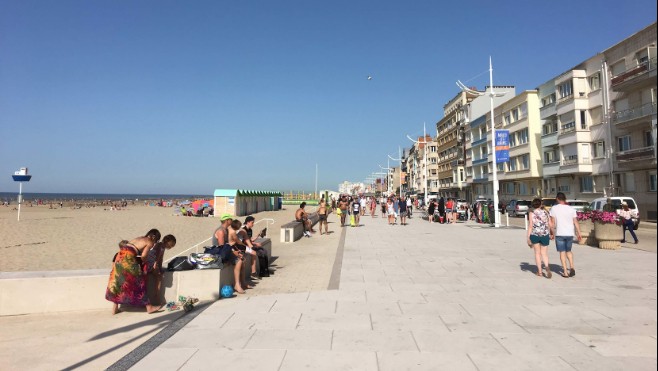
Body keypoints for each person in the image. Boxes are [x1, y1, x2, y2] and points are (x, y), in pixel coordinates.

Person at [106, 228, 162, 315]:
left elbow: (129, 248)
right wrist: (144, 262)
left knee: (118, 282)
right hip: (128, 260)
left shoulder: (138, 238)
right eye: (156, 241)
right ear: (154, 238)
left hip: (119, 257)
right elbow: (144, 256)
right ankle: (149, 307)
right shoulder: (149, 242)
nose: (154, 243)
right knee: (140, 282)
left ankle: (114, 309)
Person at [549, 192, 582, 278]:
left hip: (560, 233)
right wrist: (579, 233)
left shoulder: (554, 208)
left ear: (557, 199)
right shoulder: (571, 209)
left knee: (562, 252)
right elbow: (576, 222)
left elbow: (552, 223)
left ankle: (565, 272)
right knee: (569, 251)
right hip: (570, 233)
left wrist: (551, 233)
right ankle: (572, 267)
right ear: (565, 199)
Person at [213, 214, 246, 293]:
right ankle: (237, 285)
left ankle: (242, 282)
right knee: (239, 261)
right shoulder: (221, 231)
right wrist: (233, 253)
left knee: (242, 258)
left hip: (224, 251)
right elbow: (222, 247)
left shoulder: (226, 230)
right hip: (218, 254)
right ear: (227, 221)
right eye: (230, 219)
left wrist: (235, 251)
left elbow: (227, 245)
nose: (232, 221)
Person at [145, 234, 177, 305]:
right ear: (168, 241)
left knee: (159, 276)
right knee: (159, 277)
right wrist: (156, 267)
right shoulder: (160, 245)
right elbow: (156, 257)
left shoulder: (162, 247)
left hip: (152, 263)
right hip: (151, 264)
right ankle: (157, 296)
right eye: (171, 245)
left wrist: (160, 267)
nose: (171, 247)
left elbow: (160, 259)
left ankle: (157, 296)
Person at [526, 199, 554, 278]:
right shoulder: (546, 212)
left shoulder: (531, 213)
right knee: (544, 253)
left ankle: (540, 272)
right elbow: (550, 225)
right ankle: (547, 267)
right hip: (545, 234)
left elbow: (530, 225)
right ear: (540, 204)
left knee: (537, 253)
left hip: (535, 234)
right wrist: (552, 233)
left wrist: (528, 237)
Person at [228, 219, 252, 293]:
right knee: (241, 260)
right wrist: (245, 245)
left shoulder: (229, 229)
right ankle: (238, 284)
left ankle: (243, 282)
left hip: (233, 247)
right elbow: (237, 241)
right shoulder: (233, 232)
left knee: (243, 263)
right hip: (233, 247)